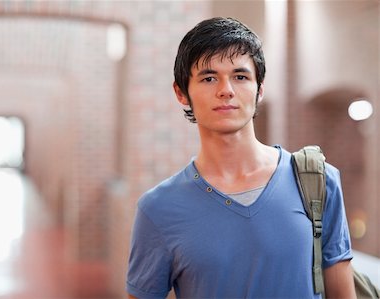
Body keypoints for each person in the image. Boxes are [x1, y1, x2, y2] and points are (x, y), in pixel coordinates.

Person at [126, 17, 356, 298]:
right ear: (181, 93)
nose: (226, 90)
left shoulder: (317, 182)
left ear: (259, 89)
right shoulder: (158, 209)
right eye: (209, 78)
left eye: (240, 76)